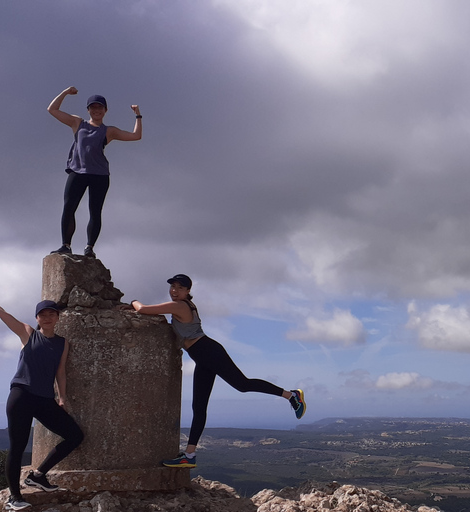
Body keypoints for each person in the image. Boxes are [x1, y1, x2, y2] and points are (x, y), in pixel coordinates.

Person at [130, 274, 306, 468]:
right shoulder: (185, 305)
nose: (174, 290)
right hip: (202, 357)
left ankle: (292, 395)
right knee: (199, 407)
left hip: (209, 352)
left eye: (179, 287)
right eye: (172, 286)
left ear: (188, 291)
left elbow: (144, 309)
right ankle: (189, 456)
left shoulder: (180, 305)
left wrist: (132, 302)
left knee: (242, 384)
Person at [0, 285, 84, 511]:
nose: (47, 317)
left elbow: (60, 372)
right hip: (21, 396)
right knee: (17, 446)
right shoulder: (27, 333)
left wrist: (62, 397)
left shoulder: (63, 343)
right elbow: (1, 312)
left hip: (45, 399)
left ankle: (38, 475)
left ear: (57, 317)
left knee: (75, 436)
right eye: (42, 314)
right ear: (37, 318)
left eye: (51, 314)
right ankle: (14, 496)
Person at [47, 86, 142, 258]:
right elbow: (52, 110)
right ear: (88, 109)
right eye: (93, 107)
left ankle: (89, 248)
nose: (96, 110)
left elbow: (136, 136)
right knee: (69, 208)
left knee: (95, 211)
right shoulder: (78, 123)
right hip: (78, 171)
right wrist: (66, 92)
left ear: (105, 110)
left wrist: (138, 115)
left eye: (100, 107)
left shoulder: (109, 131)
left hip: (99, 175)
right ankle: (65, 246)